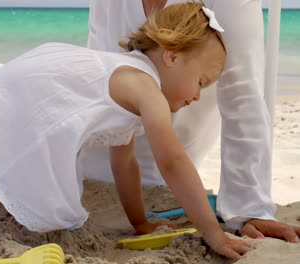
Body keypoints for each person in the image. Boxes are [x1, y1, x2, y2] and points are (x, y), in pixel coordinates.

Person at [0, 3, 251, 259]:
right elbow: (173, 162)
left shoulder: (130, 78)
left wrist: (140, 223)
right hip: (32, 92)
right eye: (201, 81)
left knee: (35, 152)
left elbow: (124, 164)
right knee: (53, 213)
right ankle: (2, 171)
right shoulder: (147, 91)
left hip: (24, 92)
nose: (198, 96)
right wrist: (213, 234)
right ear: (172, 56)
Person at [85, 0, 300, 243]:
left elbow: (242, 94)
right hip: (102, 164)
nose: (198, 94)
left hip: (167, 168)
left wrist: (250, 209)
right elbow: (103, 77)